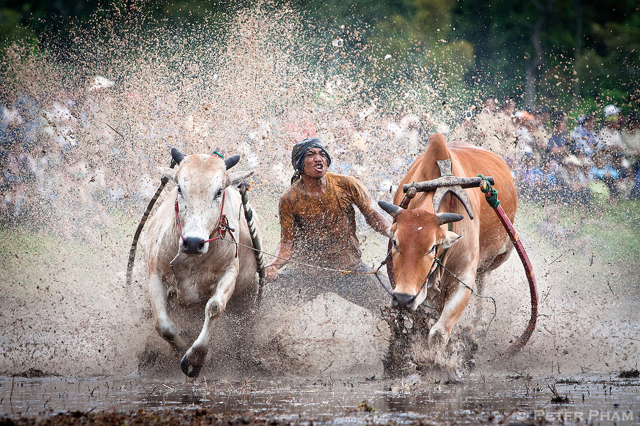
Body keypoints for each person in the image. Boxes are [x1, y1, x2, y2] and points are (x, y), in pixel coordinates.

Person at [264, 137, 392, 310]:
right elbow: (288, 243)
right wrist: (273, 266)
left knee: (392, 302)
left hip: (348, 269)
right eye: (311, 154)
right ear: (300, 165)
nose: (318, 158)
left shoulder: (347, 184)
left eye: (322, 154)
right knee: (265, 301)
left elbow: (371, 215)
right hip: (307, 273)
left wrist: (394, 233)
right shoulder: (289, 198)